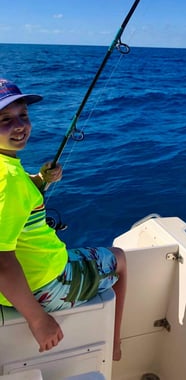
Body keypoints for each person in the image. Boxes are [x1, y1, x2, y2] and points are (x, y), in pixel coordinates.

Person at [0, 79, 126, 361]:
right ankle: (115, 346)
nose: (19, 125)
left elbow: (12, 199)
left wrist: (40, 179)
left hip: (22, 279)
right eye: (5, 119)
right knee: (120, 259)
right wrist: (37, 319)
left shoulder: (7, 169)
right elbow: (1, 260)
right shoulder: (8, 180)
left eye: (23, 116)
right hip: (42, 286)